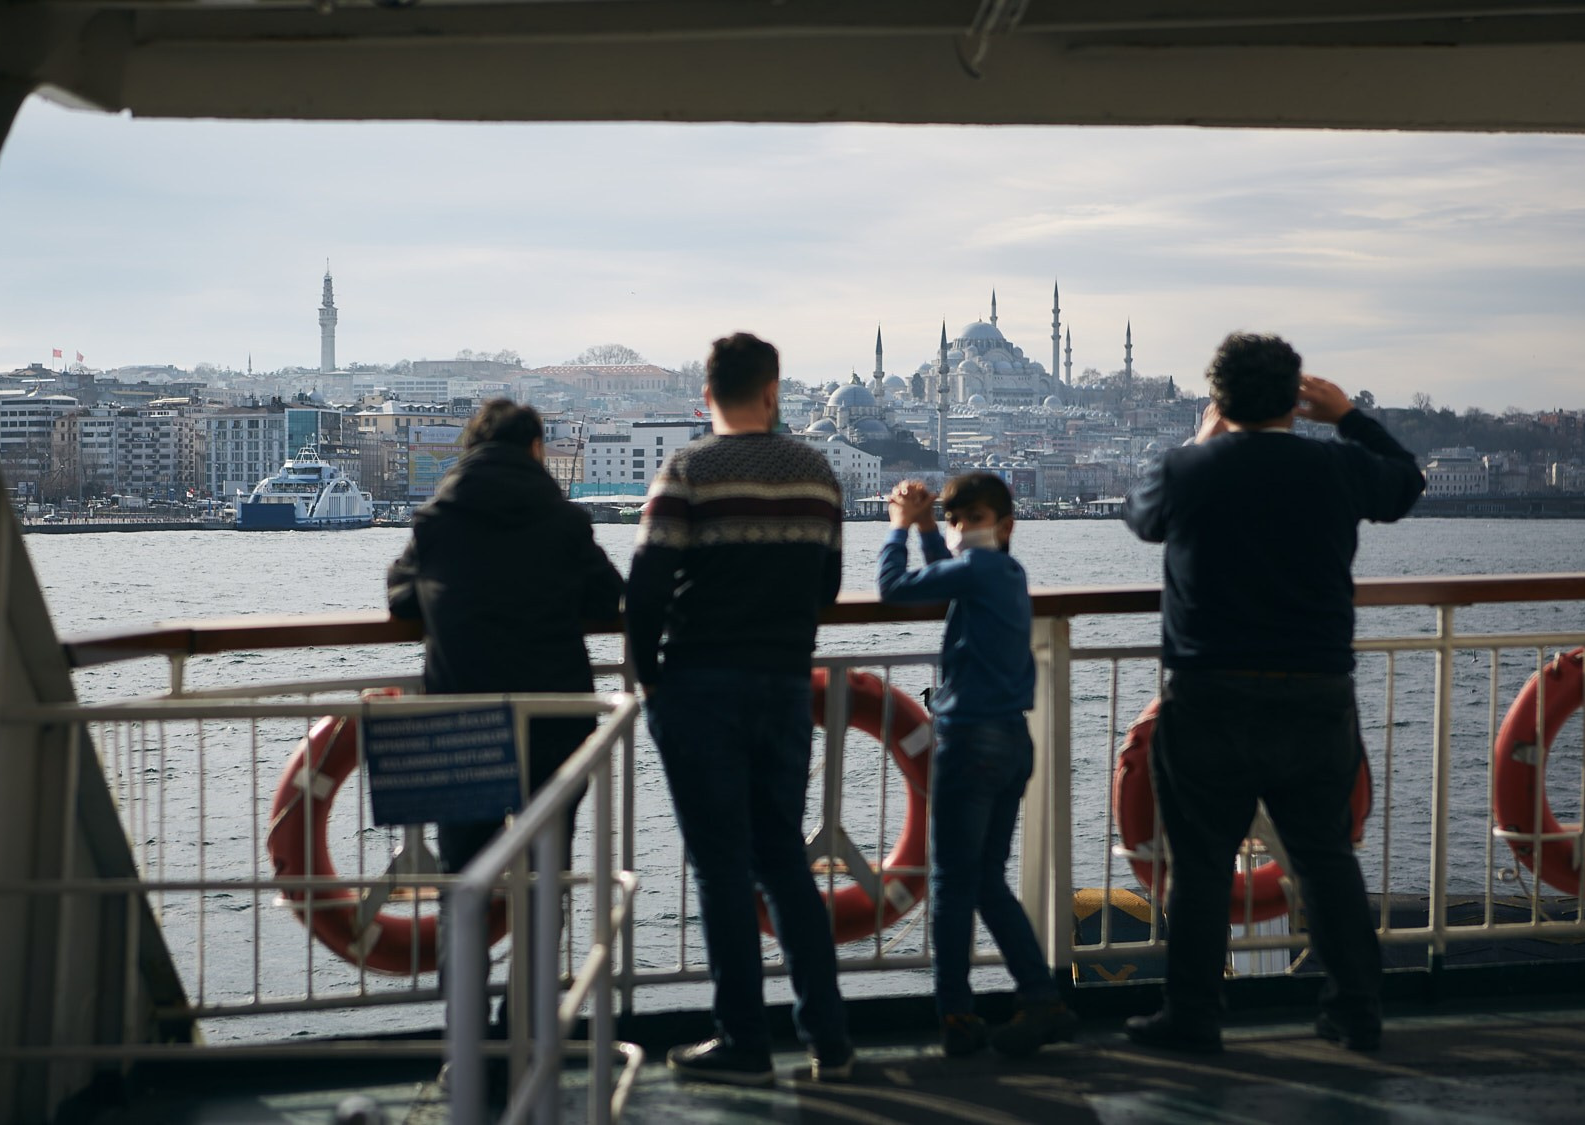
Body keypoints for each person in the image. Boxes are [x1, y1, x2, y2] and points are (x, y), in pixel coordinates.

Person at [1120, 333, 1425, 1054]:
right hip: (1313, 691)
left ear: (1218, 400)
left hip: (1209, 693)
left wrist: (1200, 438)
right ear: (1297, 398)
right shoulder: (1337, 464)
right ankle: (1355, 1009)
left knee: (1198, 865)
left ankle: (1192, 1014)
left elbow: (1140, 513)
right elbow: (1406, 481)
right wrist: (1349, 414)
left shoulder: (1189, 469)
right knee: (1324, 858)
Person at [627, 332, 855, 1086]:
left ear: (705, 398)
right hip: (784, 685)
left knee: (720, 865)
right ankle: (830, 1035)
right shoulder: (819, 472)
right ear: (773, 391)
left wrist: (648, 679)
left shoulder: (688, 469)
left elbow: (648, 586)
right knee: (784, 860)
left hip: (700, 688)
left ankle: (743, 1039)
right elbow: (826, 585)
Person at [386, 398, 622, 1012]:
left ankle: (464, 1046)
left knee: (462, 884)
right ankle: (529, 1026)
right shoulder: (564, 521)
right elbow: (608, 595)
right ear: (536, 449)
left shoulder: (437, 519)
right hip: (553, 722)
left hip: (462, 721)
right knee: (547, 882)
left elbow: (401, 601)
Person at [876, 473, 1078, 1059]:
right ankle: (1042, 999)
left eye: (970, 519)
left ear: (1002, 523)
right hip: (1013, 739)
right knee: (987, 878)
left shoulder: (979, 570)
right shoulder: (1005, 572)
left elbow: (895, 588)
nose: (964, 530)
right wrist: (928, 530)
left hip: (970, 741)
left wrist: (898, 529)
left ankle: (956, 1015)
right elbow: (948, 579)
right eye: (957, 519)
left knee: (950, 882)